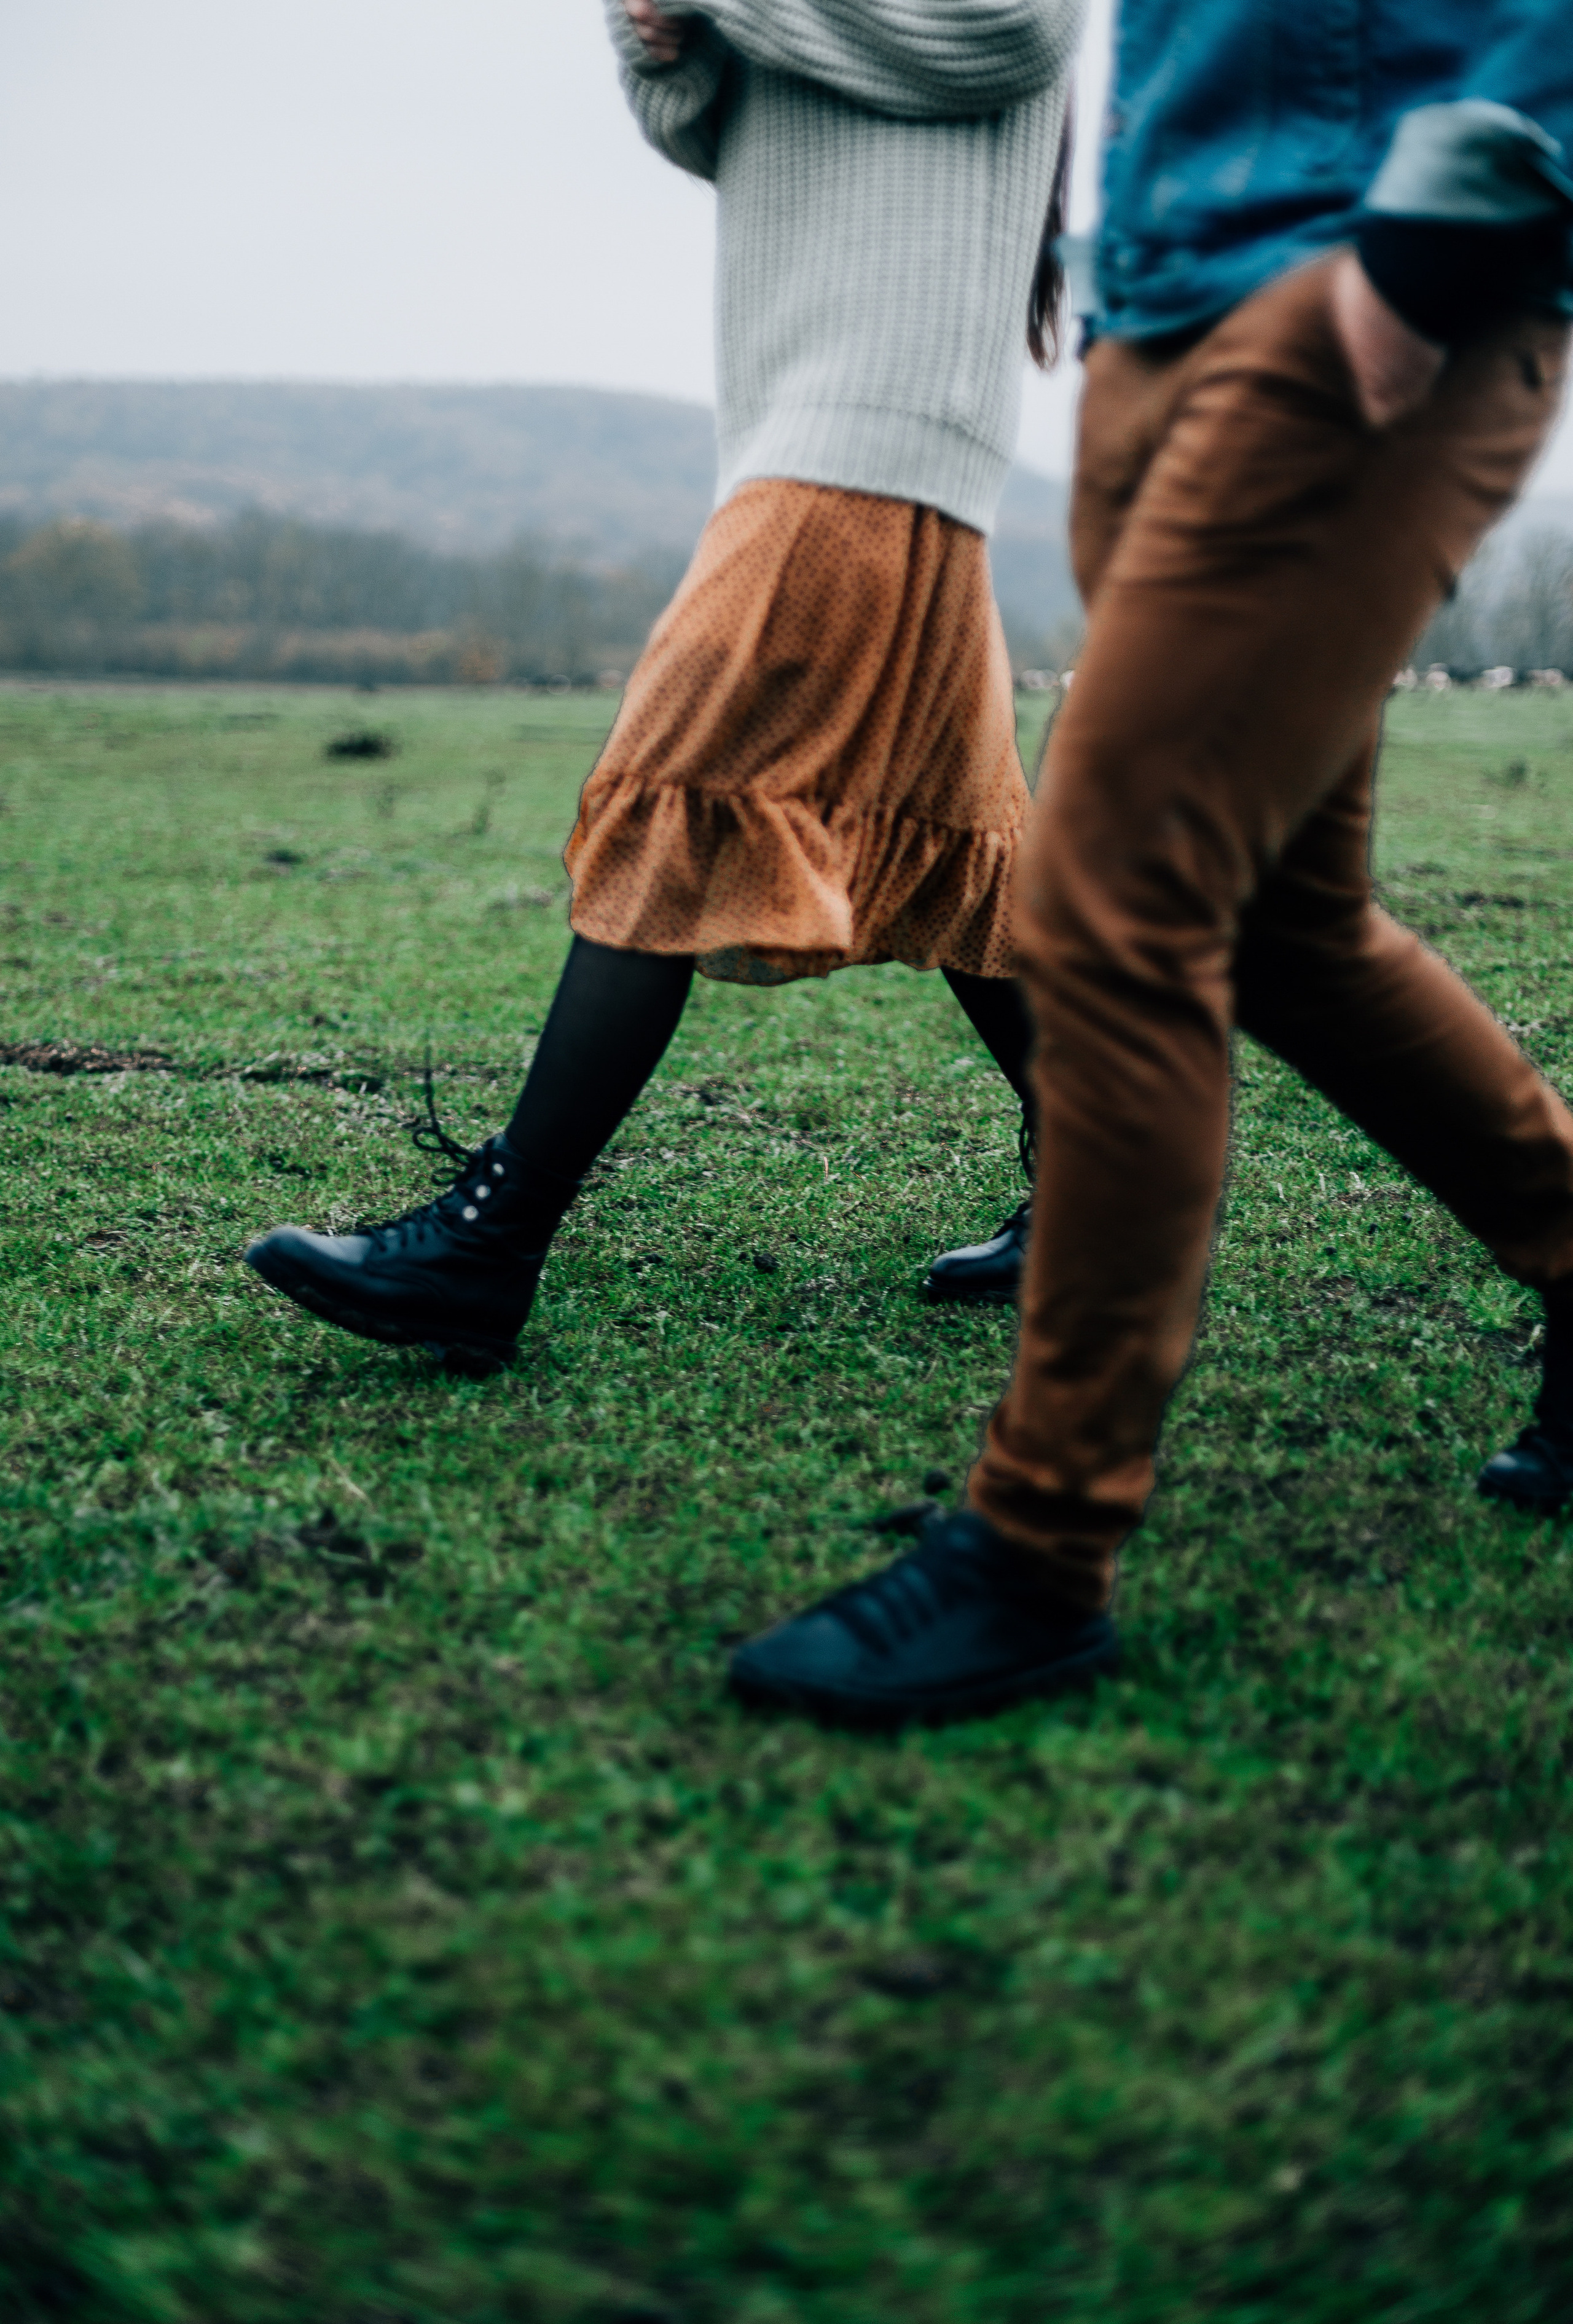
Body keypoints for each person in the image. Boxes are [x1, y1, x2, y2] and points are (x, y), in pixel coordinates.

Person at [731, 0, 1573, 1724]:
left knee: (1113, 894)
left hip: (1377, 259)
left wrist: (1442, 227)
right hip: (1169, 282)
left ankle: (1040, 1547)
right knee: (1283, 924)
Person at [243, 0, 1085, 1367]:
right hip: (820, 417)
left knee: (672, 786)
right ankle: (1105, 1190)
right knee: (960, 843)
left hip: (871, 422)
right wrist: (658, 40)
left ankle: (485, 1242)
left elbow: (1007, 36)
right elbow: (707, 127)